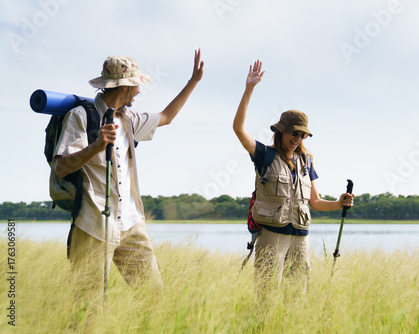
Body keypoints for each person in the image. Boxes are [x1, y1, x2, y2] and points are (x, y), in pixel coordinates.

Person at [54, 49, 204, 292]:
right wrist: (96, 146)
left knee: (153, 296)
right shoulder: (80, 117)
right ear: (124, 86)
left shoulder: (130, 119)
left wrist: (193, 82)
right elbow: (61, 166)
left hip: (132, 224)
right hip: (93, 223)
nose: (139, 90)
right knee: (87, 307)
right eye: (136, 85)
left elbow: (166, 116)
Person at [233, 60, 354, 293]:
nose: (298, 138)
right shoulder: (263, 154)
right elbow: (238, 129)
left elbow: (315, 202)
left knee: (297, 294)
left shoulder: (307, 161)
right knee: (266, 295)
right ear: (281, 131)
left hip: (300, 238)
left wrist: (339, 203)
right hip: (271, 236)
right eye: (294, 132)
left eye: (303, 134)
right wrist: (249, 89)